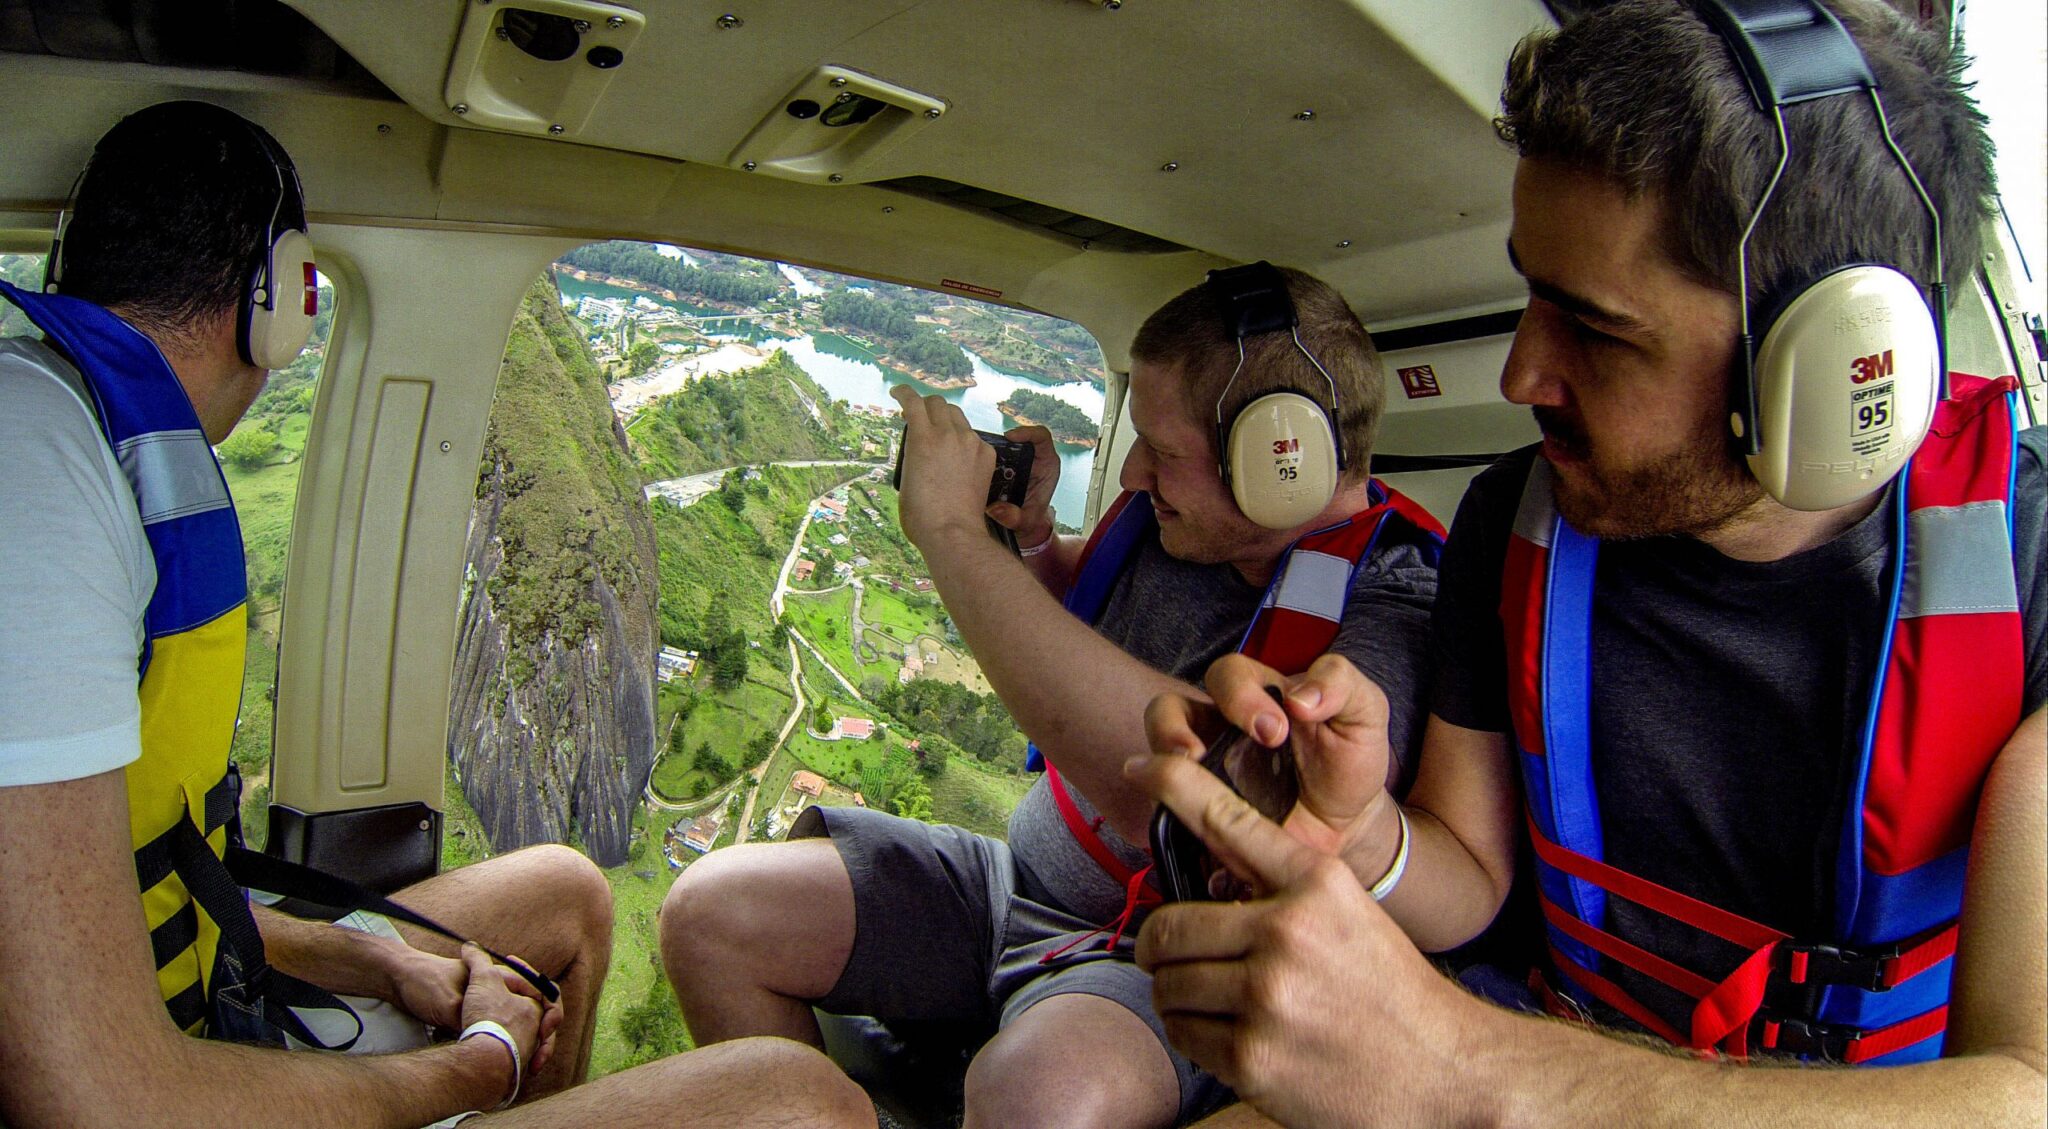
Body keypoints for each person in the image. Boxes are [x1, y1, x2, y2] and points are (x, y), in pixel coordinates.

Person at [1130, 1, 2046, 1125]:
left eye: (1596, 330)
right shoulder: (1514, 520)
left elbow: (2025, 1088)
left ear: (1835, 360)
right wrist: (1359, 833)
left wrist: (1466, 1072)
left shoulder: (2029, 563)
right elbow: (1467, 873)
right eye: (1526, 294)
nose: (1520, 376)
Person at [0, 101, 874, 1129]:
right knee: (804, 1099)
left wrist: (372, 958)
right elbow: (93, 1095)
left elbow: (136, 889)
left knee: (566, 892)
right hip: (160, 1080)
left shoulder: (72, 435)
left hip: (205, 995)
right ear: (276, 302)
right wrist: (474, 1070)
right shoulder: (41, 472)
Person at [659, 265, 1444, 1126]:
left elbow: (1194, 796)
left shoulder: (1394, 603)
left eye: (1164, 449)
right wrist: (1030, 542)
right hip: (1010, 885)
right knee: (711, 914)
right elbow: (1089, 611)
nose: (1134, 471)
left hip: (1164, 960)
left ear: (1280, 462)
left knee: (1044, 1090)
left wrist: (952, 536)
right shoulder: (1185, 525)